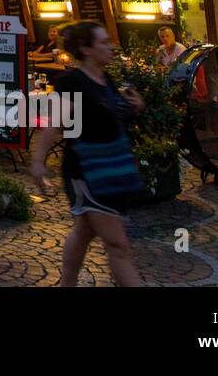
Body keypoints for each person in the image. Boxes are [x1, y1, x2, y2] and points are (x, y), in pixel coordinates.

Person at [30, 22, 146, 287]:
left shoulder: (106, 80)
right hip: (87, 170)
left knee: (83, 232)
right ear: (86, 49)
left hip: (112, 168)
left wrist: (135, 106)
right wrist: (38, 161)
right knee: (118, 246)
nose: (110, 47)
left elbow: (110, 116)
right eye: (103, 43)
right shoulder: (73, 82)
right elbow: (56, 123)